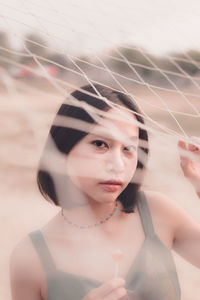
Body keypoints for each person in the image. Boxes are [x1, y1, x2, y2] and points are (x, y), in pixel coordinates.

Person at [9, 84, 200, 300]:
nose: (118, 164)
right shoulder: (30, 257)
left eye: (128, 148)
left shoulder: (158, 213)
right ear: (63, 148)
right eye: (100, 144)